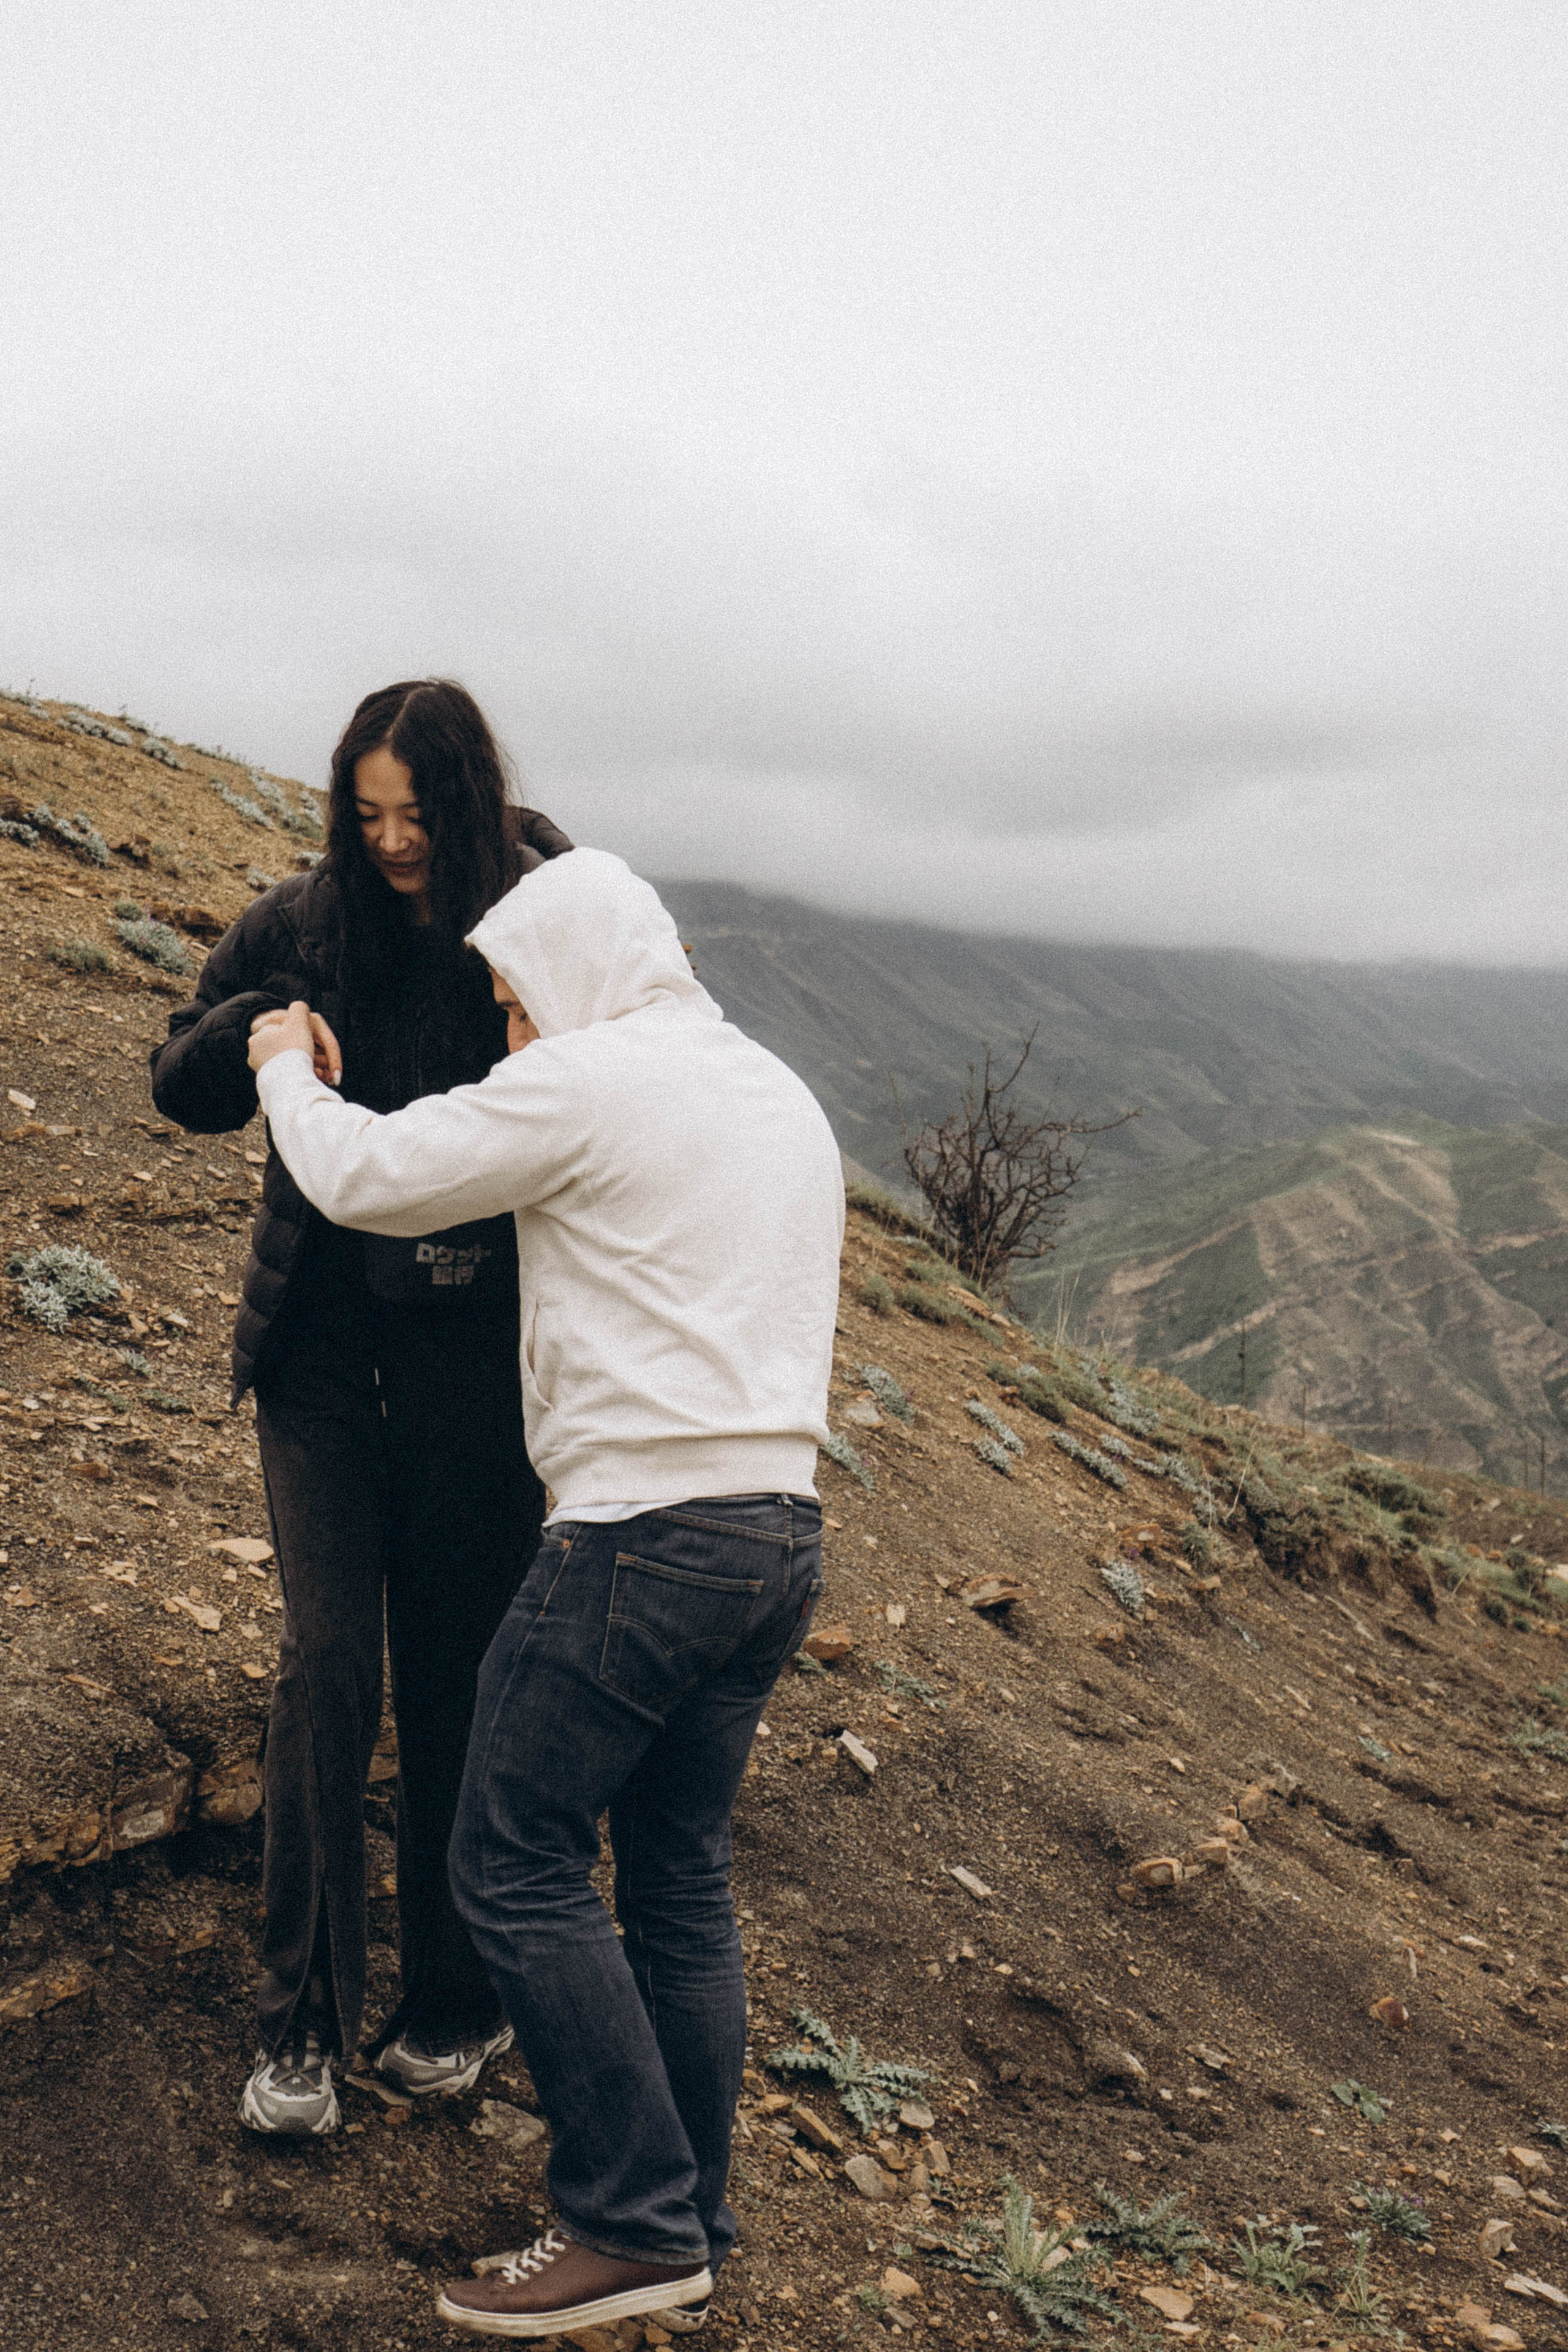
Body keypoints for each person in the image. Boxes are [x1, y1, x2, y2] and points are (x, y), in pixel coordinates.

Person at [246, 846, 843, 2340]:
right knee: (677, 1879)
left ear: (571, 977)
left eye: (513, 1002)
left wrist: (276, 1062)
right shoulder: (774, 1091)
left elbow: (363, 1179)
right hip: (779, 1532)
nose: (511, 1033)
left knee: (504, 1855)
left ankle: (629, 2220)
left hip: (637, 1537)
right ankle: (691, 2221)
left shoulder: (590, 1080)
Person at [150, 680, 571, 2135]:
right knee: (329, 1667)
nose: (392, 842)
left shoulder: (540, 908)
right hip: (320, 1352)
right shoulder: (300, 920)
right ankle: (296, 2028)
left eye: (417, 815)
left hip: (478, 1365)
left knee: (460, 1679)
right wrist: (264, 1027)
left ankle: (459, 2001)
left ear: (470, 802)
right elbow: (178, 1074)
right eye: (367, 812)